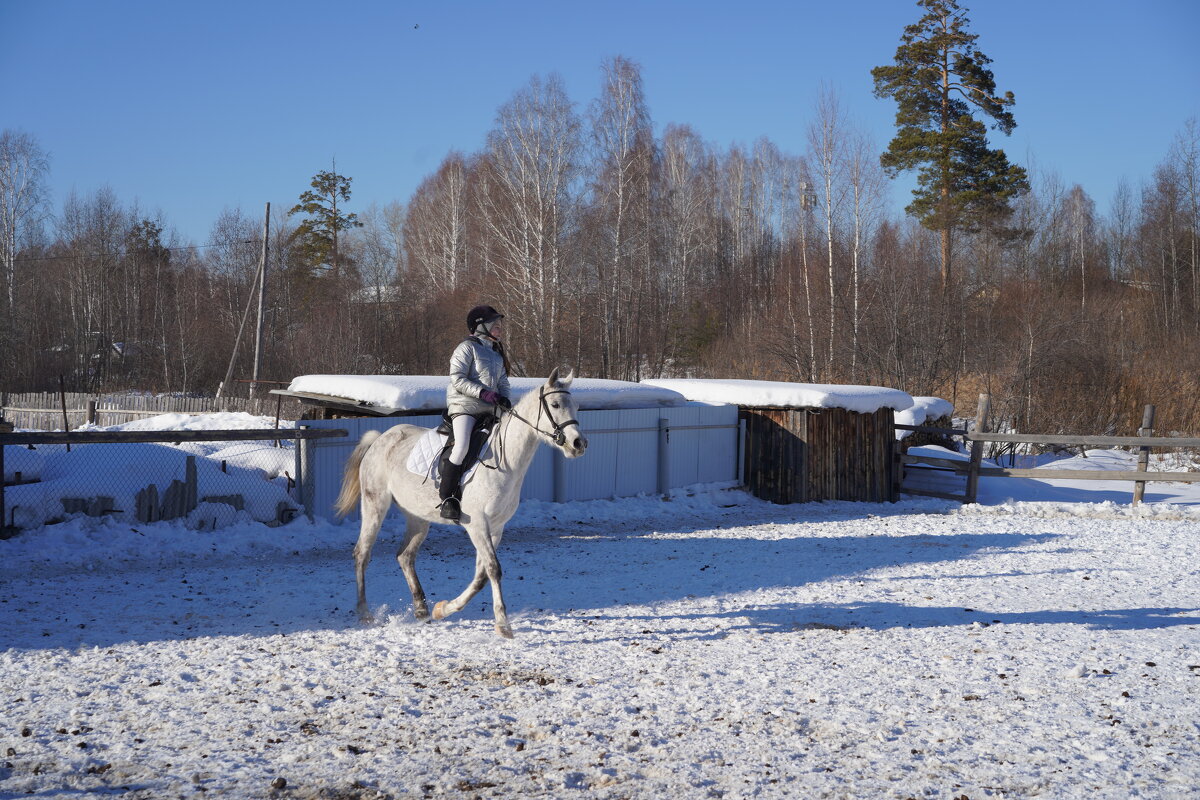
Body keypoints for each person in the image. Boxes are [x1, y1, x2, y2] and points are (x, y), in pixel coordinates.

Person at [439, 304, 513, 521]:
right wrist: (483, 393)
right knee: (461, 446)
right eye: (495, 325)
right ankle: (448, 498)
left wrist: (505, 398)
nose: (499, 329)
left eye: (499, 325)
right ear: (481, 326)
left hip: (489, 409)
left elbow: (503, 382)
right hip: (464, 407)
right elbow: (458, 379)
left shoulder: (496, 355)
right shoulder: (466, 348)